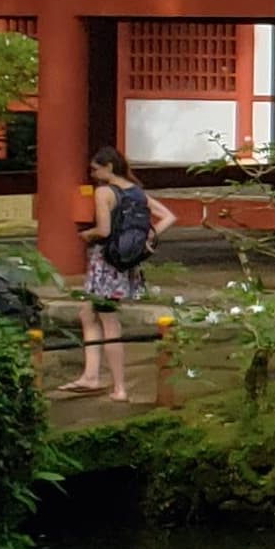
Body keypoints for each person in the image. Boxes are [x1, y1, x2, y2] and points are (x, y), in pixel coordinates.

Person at [69, 149, 170, 401]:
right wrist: (148, 237)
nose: (93, 175)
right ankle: (91, 375)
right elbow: (169, 216)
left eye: (95, 169)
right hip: (126, 262)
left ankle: (118, 387)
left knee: (108, 320)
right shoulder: (136, 191)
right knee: (87, 312)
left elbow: (104, 230)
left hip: (106, 261)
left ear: (108, 168)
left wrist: (86, 234)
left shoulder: (104, 193)